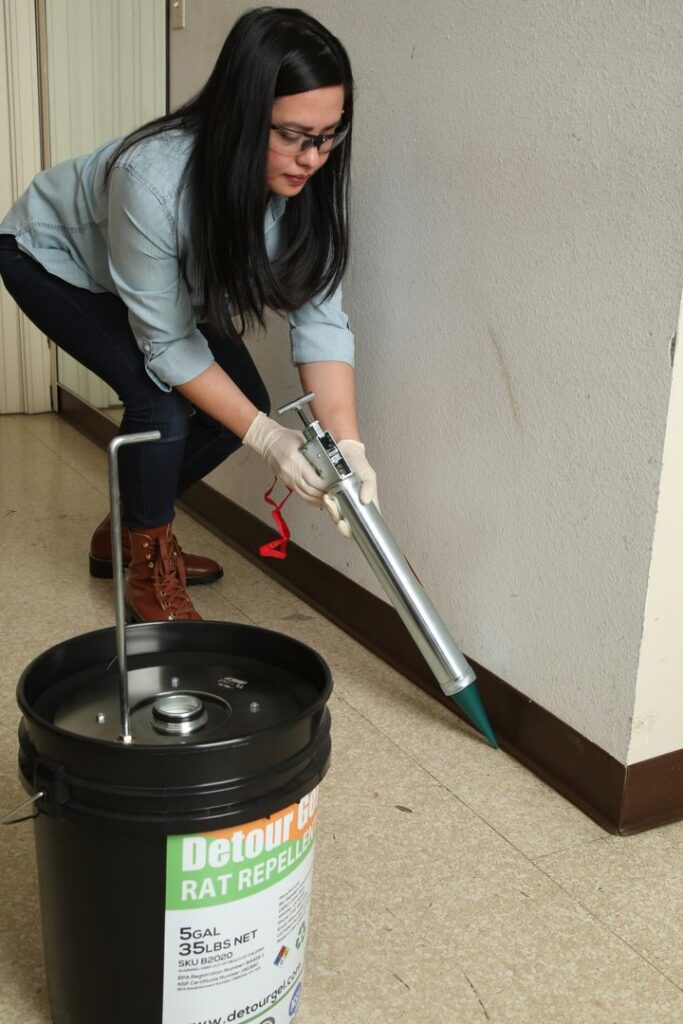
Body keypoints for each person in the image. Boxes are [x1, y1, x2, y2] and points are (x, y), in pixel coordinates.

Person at [0, 6, 377, 623]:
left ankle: (121, 532)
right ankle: (148, 570)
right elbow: (169, 347)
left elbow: (321, 323)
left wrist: (349, 445)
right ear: (241, 114)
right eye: (292, 135)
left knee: (230, 406)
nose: (313, 158)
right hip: (50, 257)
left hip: (152, 287)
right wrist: (268, 437)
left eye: (327, 136)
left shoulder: (306, 188)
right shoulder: (151, 179)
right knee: (165, 402)